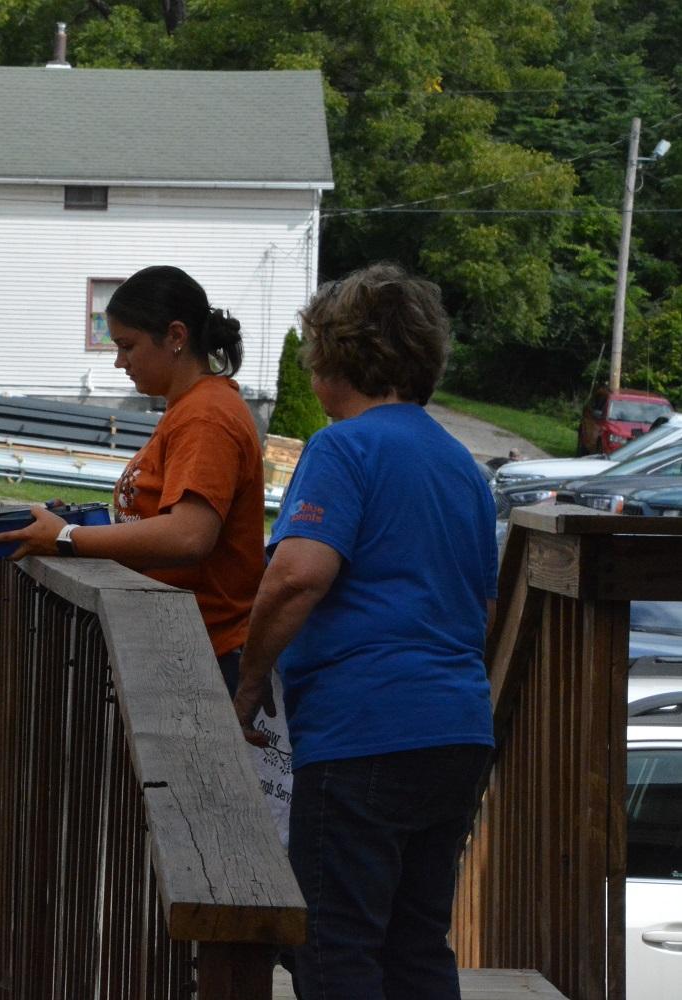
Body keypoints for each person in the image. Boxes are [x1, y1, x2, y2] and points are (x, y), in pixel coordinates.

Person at [231, 263, 497, 1000]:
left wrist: (250, 683)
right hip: (458, 730)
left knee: (335, 947)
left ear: (333, 358)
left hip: (366, 732)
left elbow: (297, 576)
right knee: (415, 944)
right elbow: (481, 609)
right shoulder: (462, 467)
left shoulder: (342, 449)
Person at [0, 265, 265, 689]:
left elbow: (189, 536)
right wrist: (78, 526)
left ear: (175, 336)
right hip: (181, 642)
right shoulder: (187, 409)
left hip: (207, 653)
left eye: (127, 346)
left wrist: (67, 540)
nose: (119, 362)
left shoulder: (207, 415)